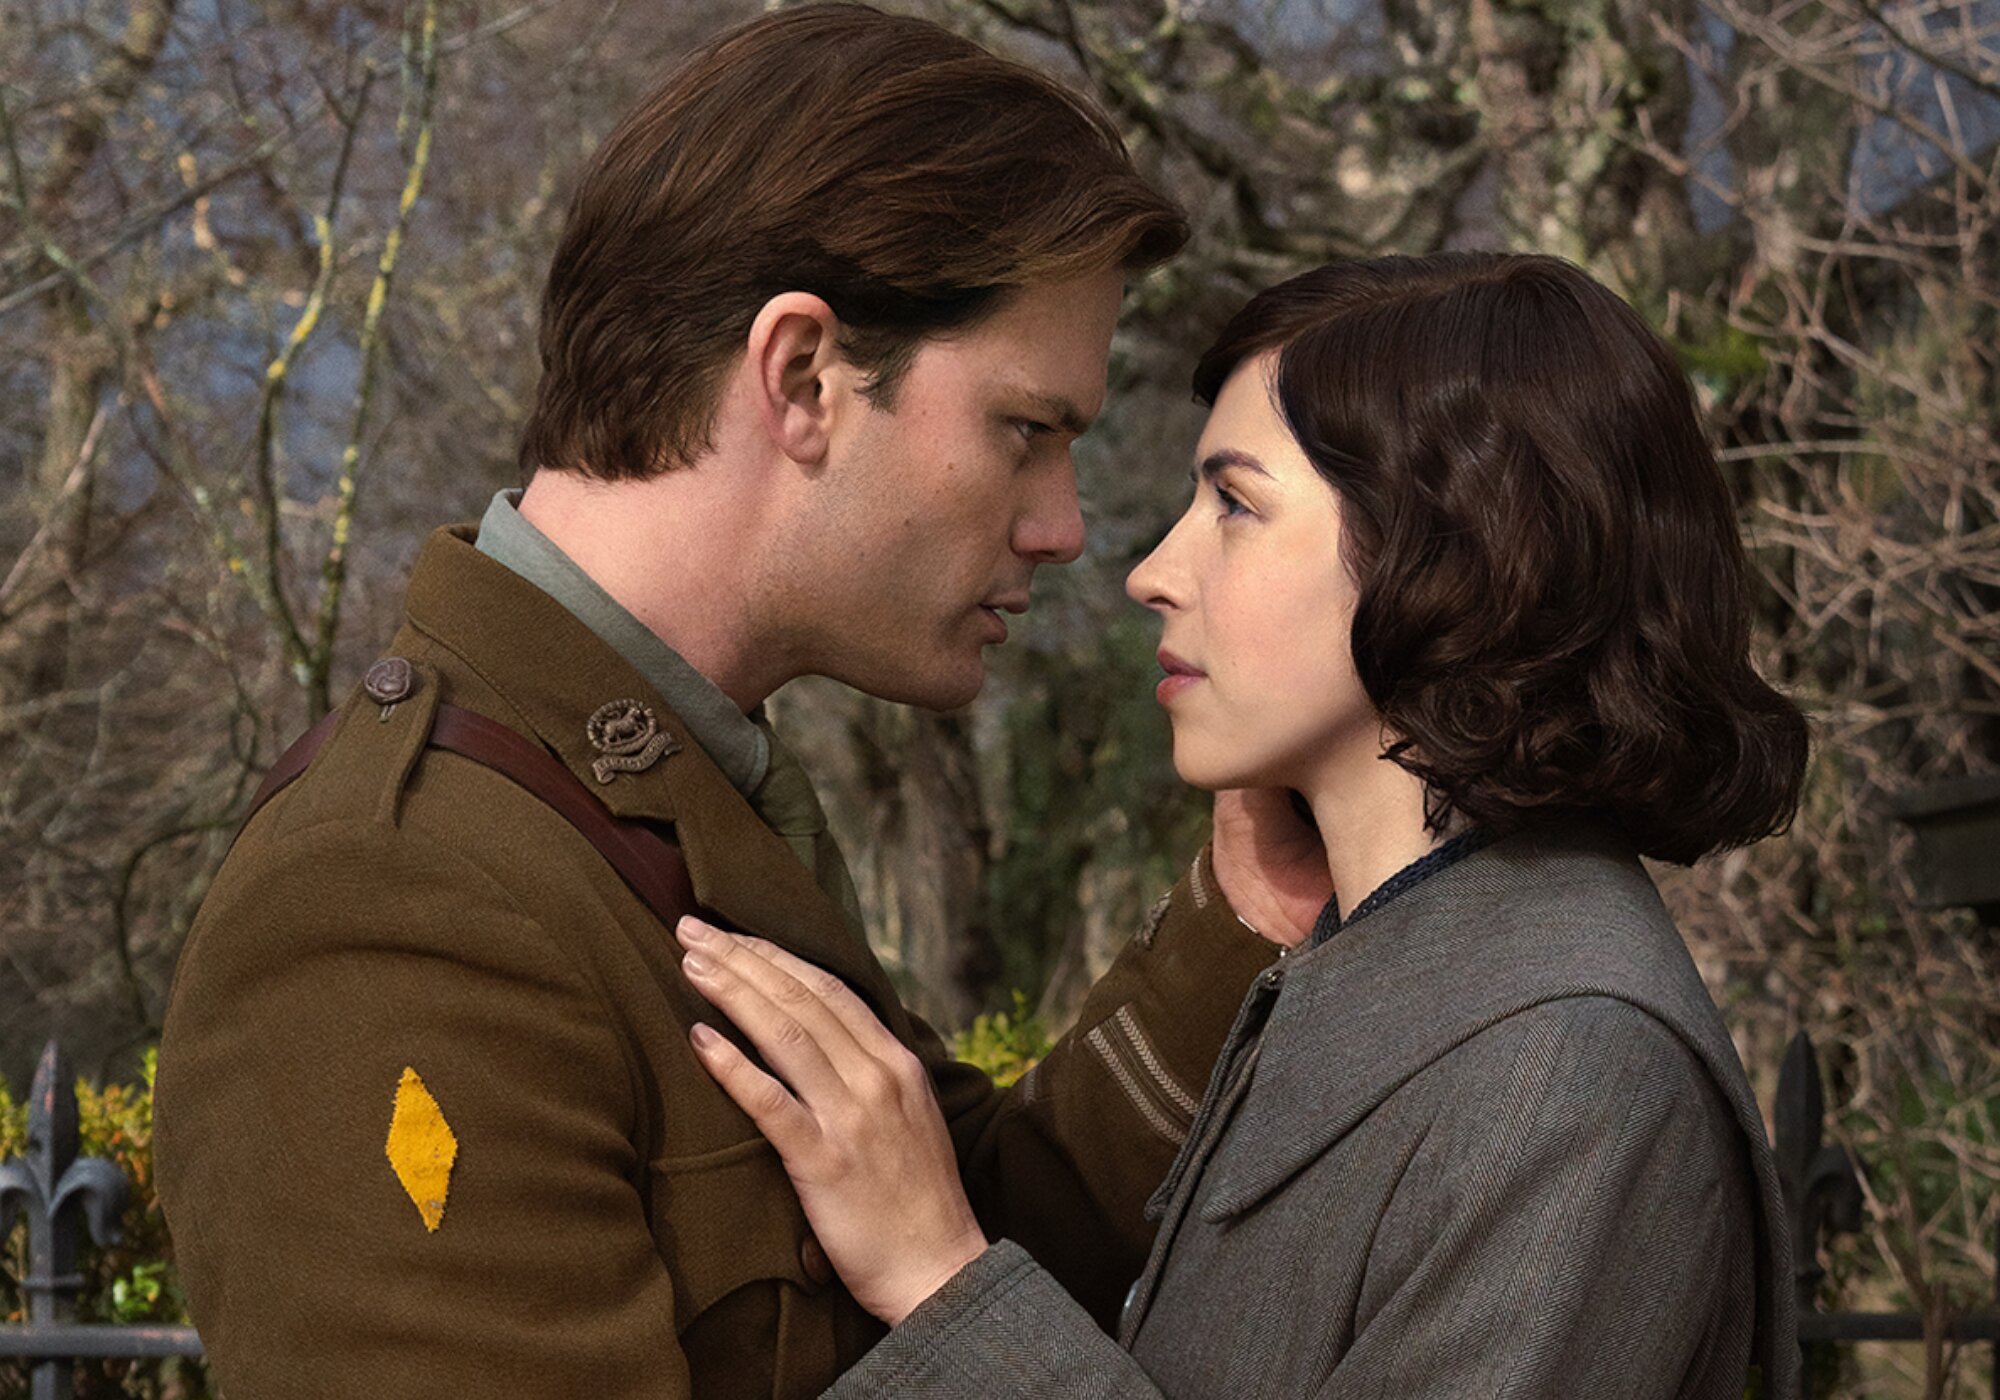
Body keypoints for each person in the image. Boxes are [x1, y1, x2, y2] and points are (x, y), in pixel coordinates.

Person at [151, 7, 1321, 1396]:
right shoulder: (395, 900)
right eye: (1024, 430)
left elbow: (960, 1250)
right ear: (802, 375)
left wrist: (1244, 908)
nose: (1064, 527)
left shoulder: (669, 796)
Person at [677, 252, 1812, 1399]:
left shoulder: (1572, 1066)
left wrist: (940, 1278)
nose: (1151, 571)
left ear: (1460, 552)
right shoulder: (1379, 964)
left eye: (1234, 503)